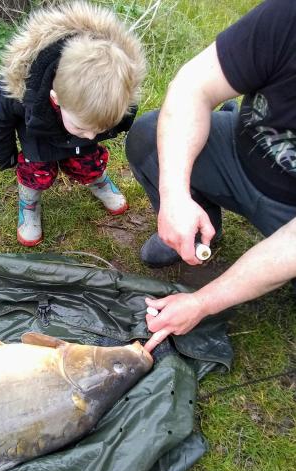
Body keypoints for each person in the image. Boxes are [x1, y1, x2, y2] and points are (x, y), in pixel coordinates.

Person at [125, 0, 296, 352]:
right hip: (238, 151)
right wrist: (174, 198)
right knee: (148, 137)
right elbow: (193, 87)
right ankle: (197, 227)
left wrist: (203, 302)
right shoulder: (288, 17)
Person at [0, 1, 146, 247]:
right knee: (37, 173)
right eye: (83, 127)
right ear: (55, 99)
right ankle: (29, 202)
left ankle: (98, 181)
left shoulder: (116, 87)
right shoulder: (22, 89)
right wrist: (3, 156)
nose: (91, 135)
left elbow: (121, 115)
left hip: (78, 147)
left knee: (89, 162)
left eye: (99, 128)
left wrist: (112, 125)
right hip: (38, 138)